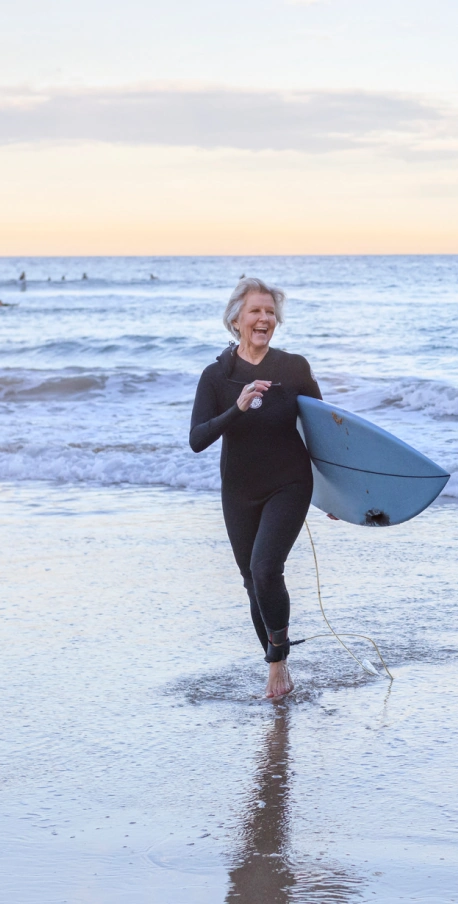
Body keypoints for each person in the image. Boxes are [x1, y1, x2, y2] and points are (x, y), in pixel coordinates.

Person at [189, 278, 331, 701]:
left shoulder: (294, 368)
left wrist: (337, 495)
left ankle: (277, 662)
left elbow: (324, 432)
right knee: (253, 581)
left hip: (289, 482)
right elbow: (197, 439)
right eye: (255, 311)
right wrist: (238, 407)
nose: (264, 318)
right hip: (239, 490)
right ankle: (276, 660)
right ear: (236, 319)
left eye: (270, 312)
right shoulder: (218, 376)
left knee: (267, 568)